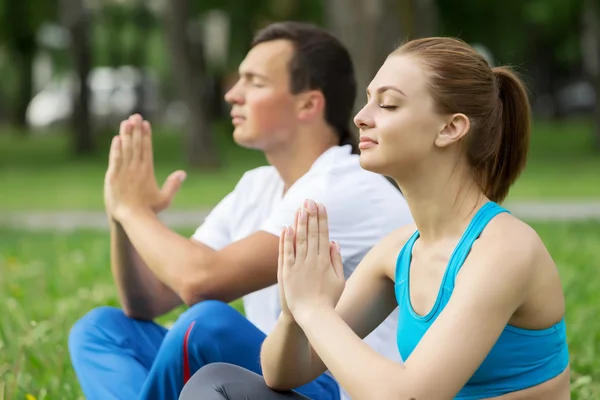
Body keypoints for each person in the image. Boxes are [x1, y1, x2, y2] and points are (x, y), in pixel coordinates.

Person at [180, 37, 571, 399]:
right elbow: (282, 374)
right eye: (368, 100)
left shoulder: (503, 250)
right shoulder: (399, 251)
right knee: (217, 385)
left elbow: (409, 396)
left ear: (450, 128)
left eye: (388, 104)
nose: (362, 118)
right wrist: (295, 311)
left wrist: (317, 310)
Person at [67, 21, 413, 400]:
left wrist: (134, 211)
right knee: (101, 329)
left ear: (309, 104)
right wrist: (122, 212)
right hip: (271, 370)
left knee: (204, 326)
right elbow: (149, 299)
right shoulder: (257, 185)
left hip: (334, 385)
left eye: (255, 82)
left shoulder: (344, 186)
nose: (233, 94)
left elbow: (201, 281)